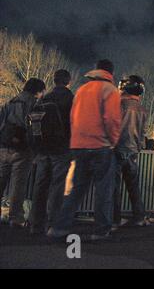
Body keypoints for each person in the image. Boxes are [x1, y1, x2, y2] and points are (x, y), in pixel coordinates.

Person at [48, 59, 121, 241]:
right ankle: (101, 230)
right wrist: (112, 141)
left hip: (79, 146)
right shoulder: (110, 90)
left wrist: (76, 140)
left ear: (96, 70)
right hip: (101, 146)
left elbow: (73, 117)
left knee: (77, 189)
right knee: (104, 189)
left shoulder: (82, 89)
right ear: (110, 73)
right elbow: (112, 119)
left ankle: (59, 227)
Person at [29, 70, 74, 234]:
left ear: (54, 81)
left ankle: (35, 223)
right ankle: (53, 224)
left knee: (40, 184)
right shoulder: (71, 98)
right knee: (57, 185)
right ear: (68, 81)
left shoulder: (45, 98)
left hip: (43, 148)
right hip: (62, 147)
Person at [0, 78, 46, 227]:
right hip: (23, 149)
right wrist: (36, 147)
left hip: (4, 146)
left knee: (1, 181)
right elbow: (36, 129)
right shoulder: (34, 103)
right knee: (18, 185)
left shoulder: (11, 102)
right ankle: (16, 217)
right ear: (38, 91)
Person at [113, 75, 148, 228]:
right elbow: (142, 134)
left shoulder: (119, 104)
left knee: (114, 187)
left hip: (117, 148)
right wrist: (138, 148)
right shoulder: (142, 109)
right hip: (133, 151)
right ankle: (139, 217)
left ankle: (114, 219)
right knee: (133, 187)